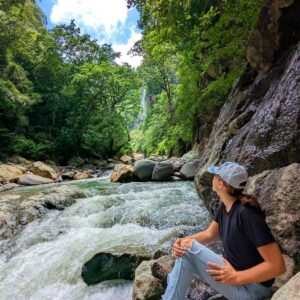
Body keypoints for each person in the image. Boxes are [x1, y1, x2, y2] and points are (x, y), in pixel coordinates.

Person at [160, 162, 286, 300]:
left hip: (252, 289)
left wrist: (236, 277)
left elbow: (278, 266)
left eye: (215, 175)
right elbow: (210, 234)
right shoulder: (225, 206)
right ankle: (171, 285)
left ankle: (171, 286)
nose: (212, 177)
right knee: (185, 253)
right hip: (235, 275)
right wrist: (181, 241)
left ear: (221, 184)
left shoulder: (247, 214)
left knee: (188, 250)